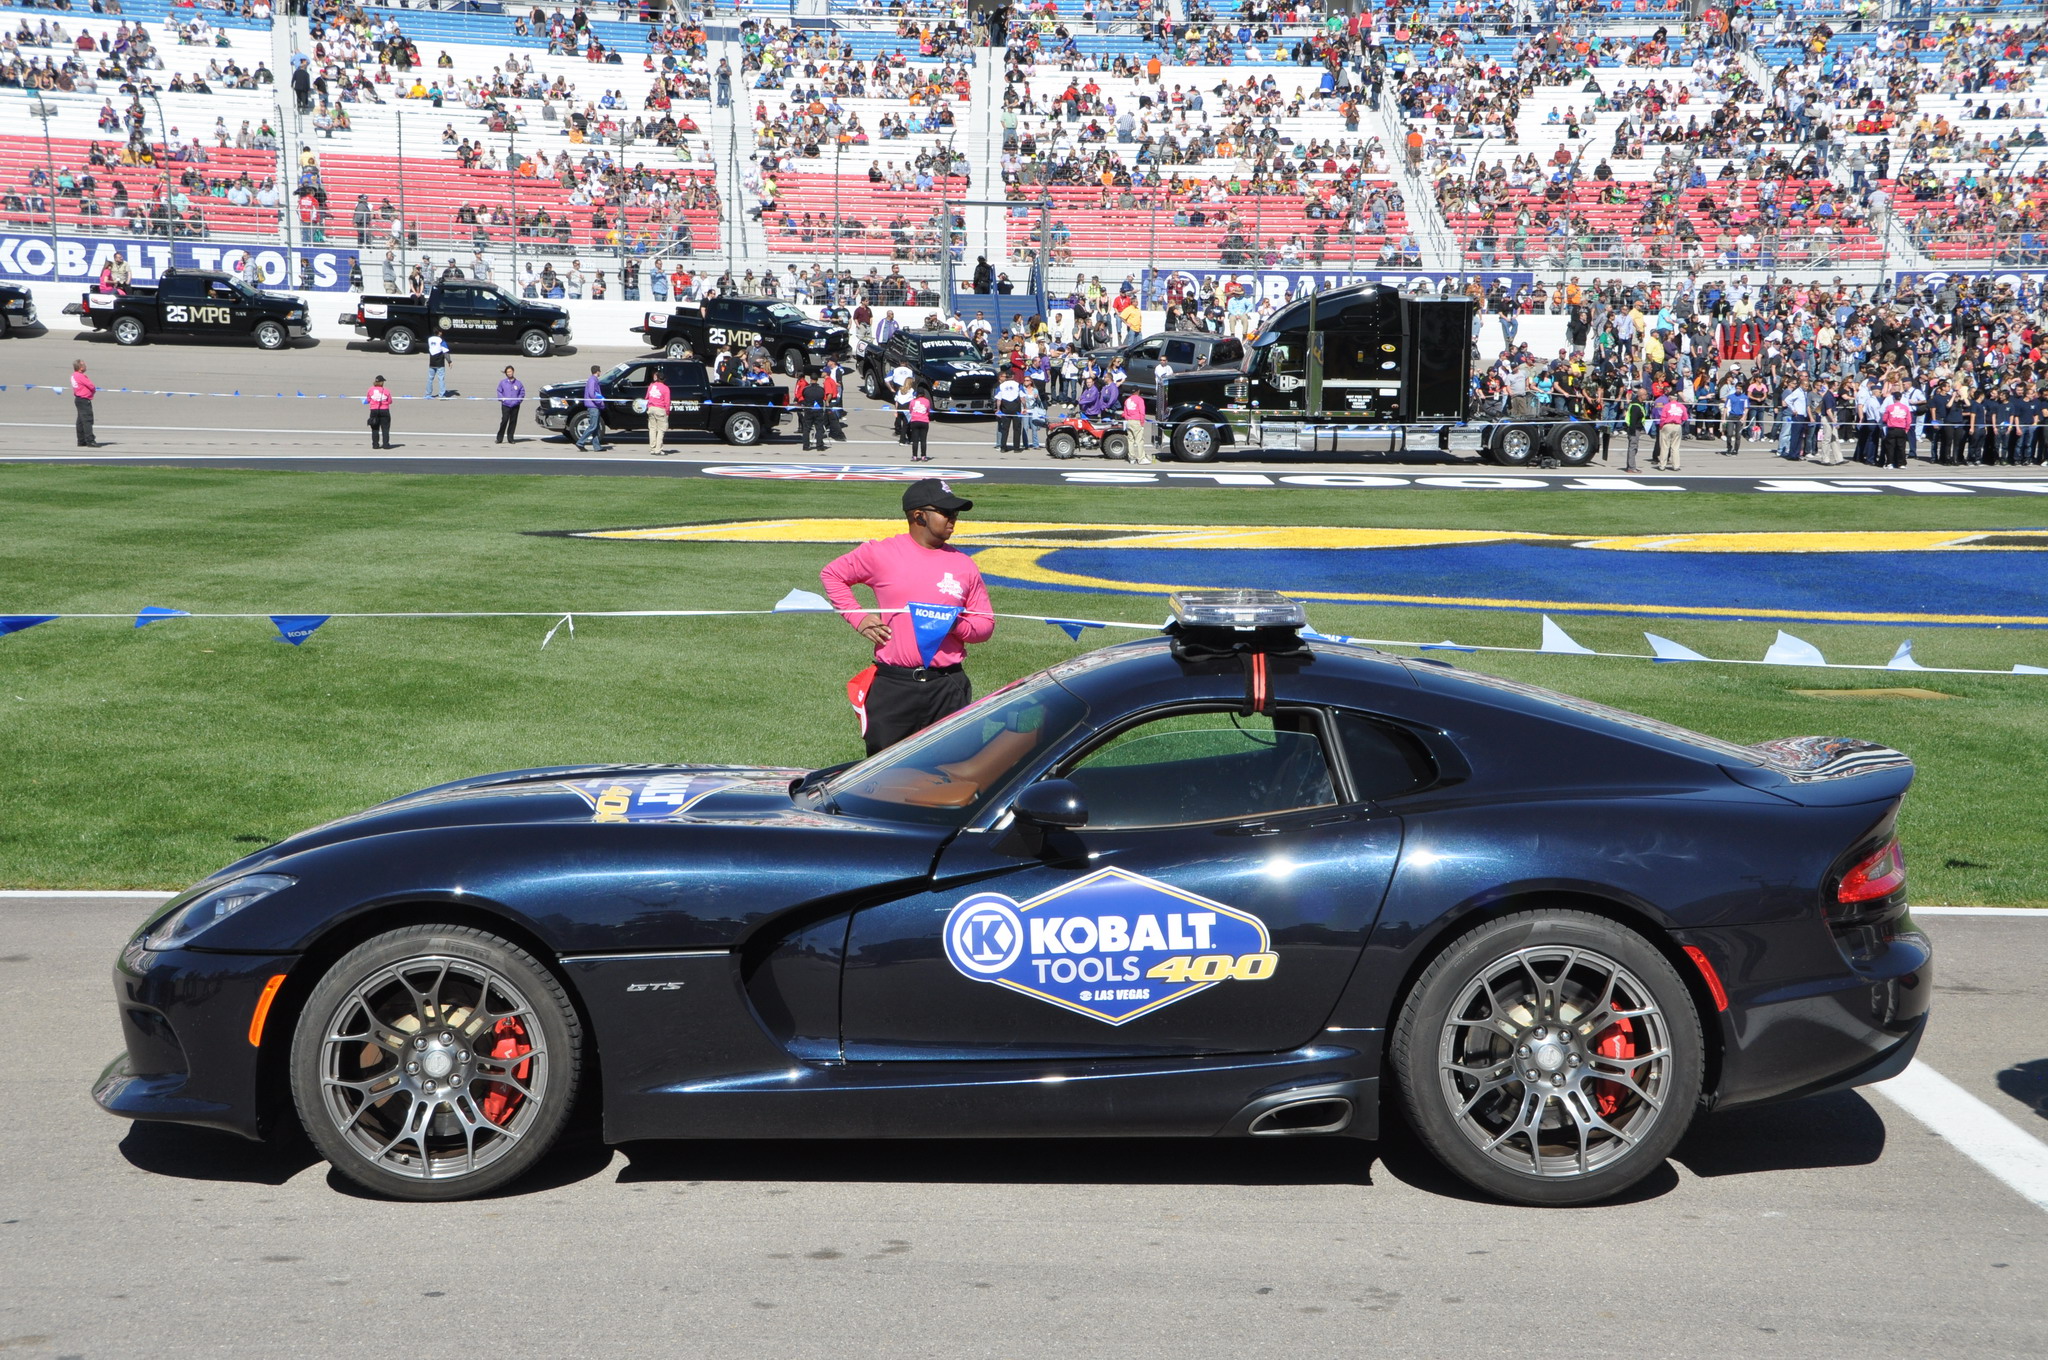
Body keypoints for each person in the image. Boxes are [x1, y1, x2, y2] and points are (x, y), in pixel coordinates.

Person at [819, 479, 995, 754]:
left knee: (954, 766)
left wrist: (953, 624)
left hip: (948, 686)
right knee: (885, 771)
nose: (953, 519)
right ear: (919, 516)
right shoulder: (881, 553)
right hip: (893, 687)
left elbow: (985, 625)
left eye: (956, 513)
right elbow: (832, 575)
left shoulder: (964, 565)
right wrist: (859, 618)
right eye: (946, 512)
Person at [795, 368, 828, 451]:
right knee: (819, 428)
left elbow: (802, 397)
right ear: (817, 380)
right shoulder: (821, 390)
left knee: (806, 429)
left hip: (809, 410)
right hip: (818, 411)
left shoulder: (806, 389)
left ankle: (806, 446)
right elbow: (824, 398)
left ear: (810, 379)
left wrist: (805, 403)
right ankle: (819, 446)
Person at [71, 360, 100, 447]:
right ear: (80, 367)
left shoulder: (74, 375)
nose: (86, 366)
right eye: (84, 365)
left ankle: (81, 440)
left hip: (79, 399)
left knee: (80, 421)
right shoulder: (80, 376)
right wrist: (93, 391)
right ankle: (90, 440)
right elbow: (91, 386)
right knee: (87, 420)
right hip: (83, 400)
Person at [1122, 382, 1152, 464]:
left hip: (1129, 421)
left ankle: (1131, 458)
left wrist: (1128, 418)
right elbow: (1142, 412)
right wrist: (1142, 423)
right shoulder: (1140, 400)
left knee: (1130, 440)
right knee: (1139, 440)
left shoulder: (1127, 400)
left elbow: (1125, 413)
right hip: (1137, 421)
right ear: (1138, 391)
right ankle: (1141, 458)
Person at [994, 371, 1024, 451]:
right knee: (1017, 429)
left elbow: (998, 400)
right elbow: (1022, 398)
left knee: (1005, 429)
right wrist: (1025, 408)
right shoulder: (1018, 385)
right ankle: (1016, 448)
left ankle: (1003, 447)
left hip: (1005, 409)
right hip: (1016, 409)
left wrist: (998, 409)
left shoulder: (1001, 386)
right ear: (1013, 376)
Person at [904, 380, 932, 462]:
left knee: (915, 440)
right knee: (923, 440)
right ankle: (923, 456)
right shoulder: (927, 401)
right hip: (924, 421)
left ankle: (914, 456)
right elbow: (928, 410)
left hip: (915, 421)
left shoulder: (913, 401)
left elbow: (910, 410)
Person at [645, 368, 672, 452]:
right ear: (664, 379)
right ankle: (658, 449)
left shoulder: (651, 386)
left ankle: (652, 448)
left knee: (652, 429)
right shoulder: (665, 388)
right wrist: (667, 412)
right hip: (660, 409)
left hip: (651, 408)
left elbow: (647, 397)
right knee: (661, 430)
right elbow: (667, 402)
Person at [495, 365, 524, 443]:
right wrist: (503, 399)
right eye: (507, 372)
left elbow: (522, 392)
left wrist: (518, 401)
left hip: (515, 405)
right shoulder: (503, 382)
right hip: (506, 405)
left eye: (510, 371)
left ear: (513, 372)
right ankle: (499, 438)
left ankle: (510, 438)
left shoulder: (518, 383)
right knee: (504, 420)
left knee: (513, 421)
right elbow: (499, 391)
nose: (509, 373)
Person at [365, 374, 393, 448]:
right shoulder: (386, 390)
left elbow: (368, 400)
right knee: (385, 429)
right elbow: (390, 401)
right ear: (382, 382)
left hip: (374, 410)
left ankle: (375, 445)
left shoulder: (370, 390)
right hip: (384, 410)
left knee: (375, 429)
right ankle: (385, 445)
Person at [425, 327, 451, 398]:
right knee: (441, 379)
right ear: (439, 332)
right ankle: (442, 395)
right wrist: (449, 361)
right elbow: (445, 351)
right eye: (441, 331)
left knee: (430, 379)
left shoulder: (429, 339)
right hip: (440, 363)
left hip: (432, 362)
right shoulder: (441, 340)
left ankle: (428, 394)